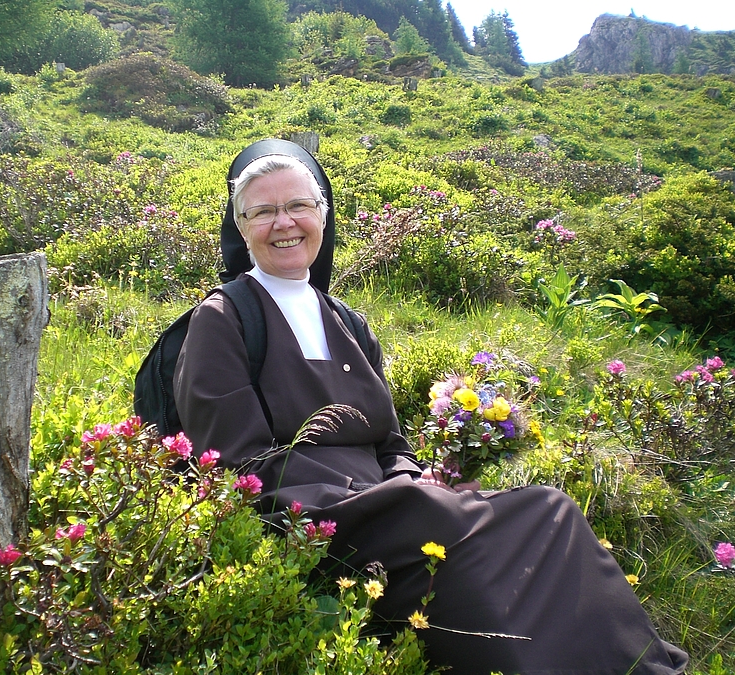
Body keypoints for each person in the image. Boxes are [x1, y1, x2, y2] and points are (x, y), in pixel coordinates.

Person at [173, 139, 689, 674]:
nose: (285, 223)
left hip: (394, 503)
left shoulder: (347, 321)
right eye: (263, 211)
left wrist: (417, 481)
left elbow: (390, 443)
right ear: (240, 228)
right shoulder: (224, 318)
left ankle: (638, 666)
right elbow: (236, 460)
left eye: (299, 206)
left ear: (322, 216)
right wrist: (385, 499)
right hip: (312, 517)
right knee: (470, 553)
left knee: (549, 509)